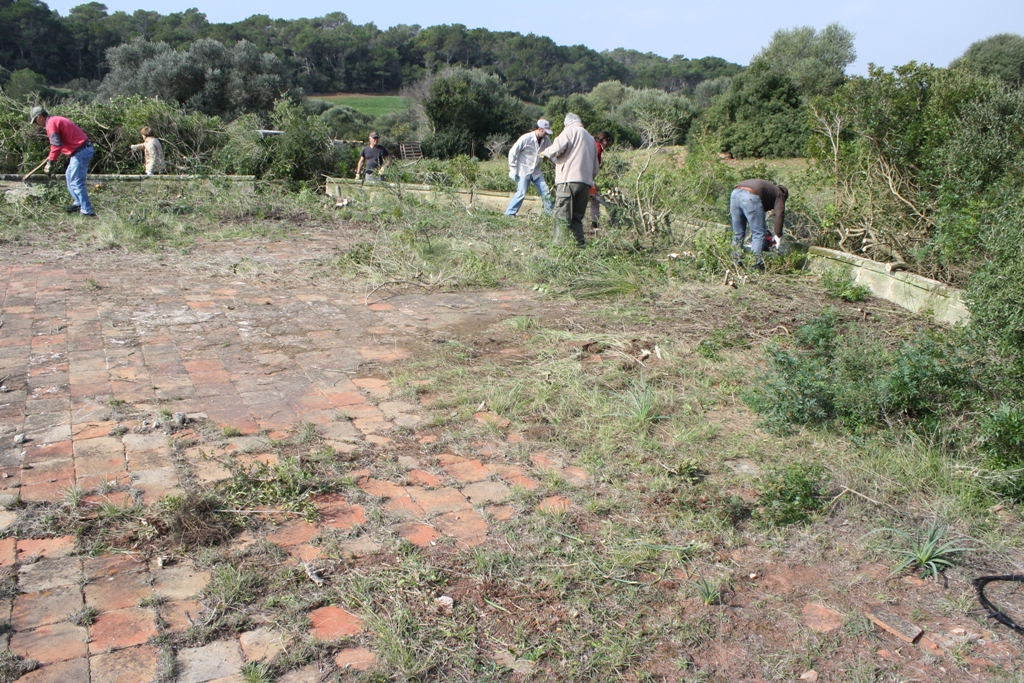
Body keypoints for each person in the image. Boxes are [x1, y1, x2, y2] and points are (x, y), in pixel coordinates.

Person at [540, 113, 600, 246]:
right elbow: (596, 168)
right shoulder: (591, 139)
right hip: (585, 183)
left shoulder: (569, 131)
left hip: (568, 181)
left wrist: (545, 153)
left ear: (567, 124)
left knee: (561, 216)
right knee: (576, 218)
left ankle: (558, 248)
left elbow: (557, 148)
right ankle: (579, 246)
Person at [29, 106, 96, 217]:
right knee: (69, 175)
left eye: (35, 121)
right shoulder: (54, 120)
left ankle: (87, 211)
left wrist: (50, 162)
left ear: (40, 117)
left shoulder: (51, 124)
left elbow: (56, 145)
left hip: (81, 152)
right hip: (80, 151)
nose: (37, 124)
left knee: (76, 182)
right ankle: (79, 202)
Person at [730, 179, 789, 270]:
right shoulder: (780, 194)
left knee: (738, 233)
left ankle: (735, 264)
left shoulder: (769, 190)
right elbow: (779, 214)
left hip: (735, 194)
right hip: (750, 196)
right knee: (759, 234)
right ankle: (754, 266)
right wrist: (778, 235)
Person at [505, 119, 554, 216]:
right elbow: (513, 152)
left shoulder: (546, 140)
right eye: (545, 132)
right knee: (521, 193)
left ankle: (550, 215)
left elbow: (552, 154)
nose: (546, 135)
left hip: (536, 171)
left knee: (545, 191)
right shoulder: (526, 138)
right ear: (540, 129)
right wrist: (513, 169)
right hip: (523, 170)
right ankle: (509, 213)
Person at [588, 131, 613, 229]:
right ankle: (595, 223)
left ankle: (594, 222)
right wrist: (591, 183)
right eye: (610, 142)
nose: (610, 145)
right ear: (605, 140)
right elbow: (591, 165)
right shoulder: (597, 148)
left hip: (586, 177)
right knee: (595, 198)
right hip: (586, 177)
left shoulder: (595, 145)